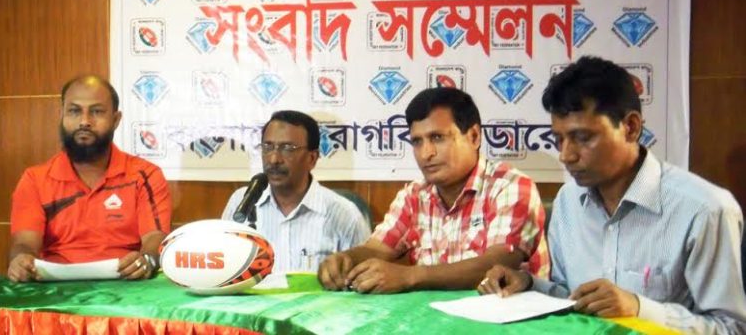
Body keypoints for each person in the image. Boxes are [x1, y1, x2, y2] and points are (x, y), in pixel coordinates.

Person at [479, 56, 746, 334]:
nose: (565, 155)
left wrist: (639, 308)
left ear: (630, 127)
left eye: (583, 138)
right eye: (559, 139)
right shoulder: (568, 201)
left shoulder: (704, 209)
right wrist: (528, 283)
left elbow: (732, 328)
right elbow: (570, 298)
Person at [318, 87, 549, 293]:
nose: (426, 153)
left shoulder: (510, 186)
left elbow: (498, 265)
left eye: (437, 138)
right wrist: (344, 260)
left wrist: (410, 276)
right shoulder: (414, 196)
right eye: (417, 142)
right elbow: (377, 249)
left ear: (474, 136)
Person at [7, 75, 171, 282]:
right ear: (62, 115)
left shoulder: (145, 175)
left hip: (127, 286)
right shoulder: (35, 179)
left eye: (97, 111)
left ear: (116, 119)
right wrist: (21, 260)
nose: (84, 121)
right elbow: (24, 243)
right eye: (74, 111)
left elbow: (155, 239)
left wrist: (147, 259)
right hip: (55, 290)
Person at [222, 110, 370, 272]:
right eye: (268, 147)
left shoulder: (345, 215)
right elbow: (223, 269)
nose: (274, 159)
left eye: (288, 148)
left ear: (312, 159)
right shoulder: (242, 202)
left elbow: (363, 283)